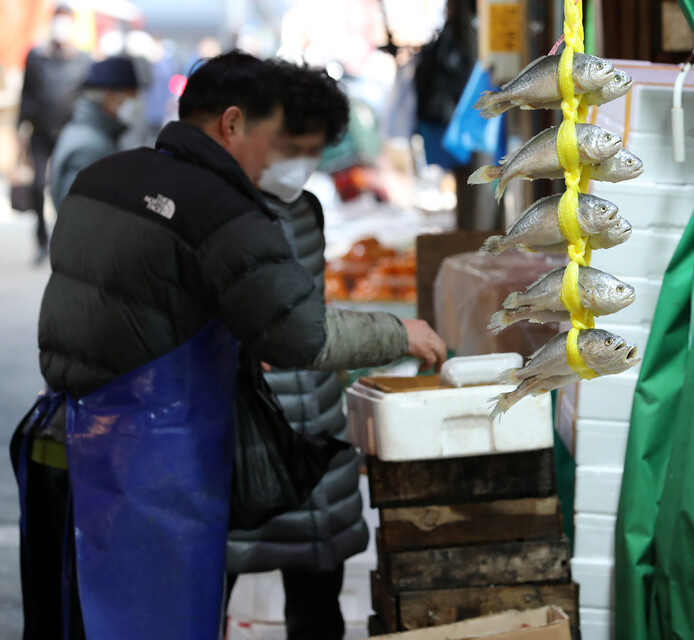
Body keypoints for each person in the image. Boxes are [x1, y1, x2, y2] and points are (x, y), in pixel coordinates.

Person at [14, 50, 445, 640]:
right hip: (166, 459)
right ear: (233, 123)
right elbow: (301, 335)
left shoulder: (103, 180)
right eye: (273, 139)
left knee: (92, 610)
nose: (274, 159)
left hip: (74, 440)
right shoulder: (221, 210)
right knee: (168, 616)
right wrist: (399, 333)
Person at [224, 59, 413, 639]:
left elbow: (311, 314)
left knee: (317, 611)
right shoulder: (216, 213)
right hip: (248, 443)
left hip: (316, 437)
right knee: (208, 598)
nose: (298, 164)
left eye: (311, 150)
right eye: (289, 146)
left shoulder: (307, 209)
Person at [17, 4, 91, 262]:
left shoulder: (83, 60)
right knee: (38, 186)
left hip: (69, 135)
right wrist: (20, 129)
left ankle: (65, 238)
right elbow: (26, 94)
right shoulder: (37, 57)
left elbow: (87, 98)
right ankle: (41, 239)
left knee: (65, 188)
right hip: (40, 133)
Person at [49, 56, 141, 212]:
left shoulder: (89, 133)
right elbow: (77, 215)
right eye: (131, 95)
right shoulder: (90, 148)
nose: (137, 102)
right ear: (110, 97)